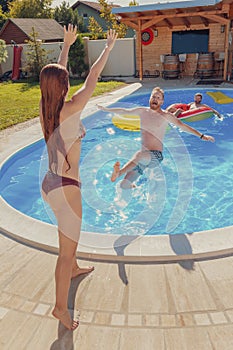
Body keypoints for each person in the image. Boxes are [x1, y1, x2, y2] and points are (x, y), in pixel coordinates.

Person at [40, 24, 117, 330]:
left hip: (50, 183)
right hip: (67, 189)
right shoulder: (71, 109)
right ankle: (60, 307)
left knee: (67, 241)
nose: (68, 81)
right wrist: (108, 49)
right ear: (63, 86)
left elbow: (55, 77)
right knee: (64, 251)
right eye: (65, 80)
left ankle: (73, 269)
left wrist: (67, 46)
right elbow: (92, 79)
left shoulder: (47, 108)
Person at [98, 87, 215, 189]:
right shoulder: (142, 112)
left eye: (158, 98)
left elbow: (183, 126)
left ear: (162, 102)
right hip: (142, 159)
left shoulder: (165, 116)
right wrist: (107, 109)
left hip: (155, 156)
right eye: (153, 97)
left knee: (139, 155)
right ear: (149, 99)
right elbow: (124, 111)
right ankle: (136, 187)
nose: (155, 99)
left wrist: (202, 136)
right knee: (123, 186)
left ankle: (119, 173)